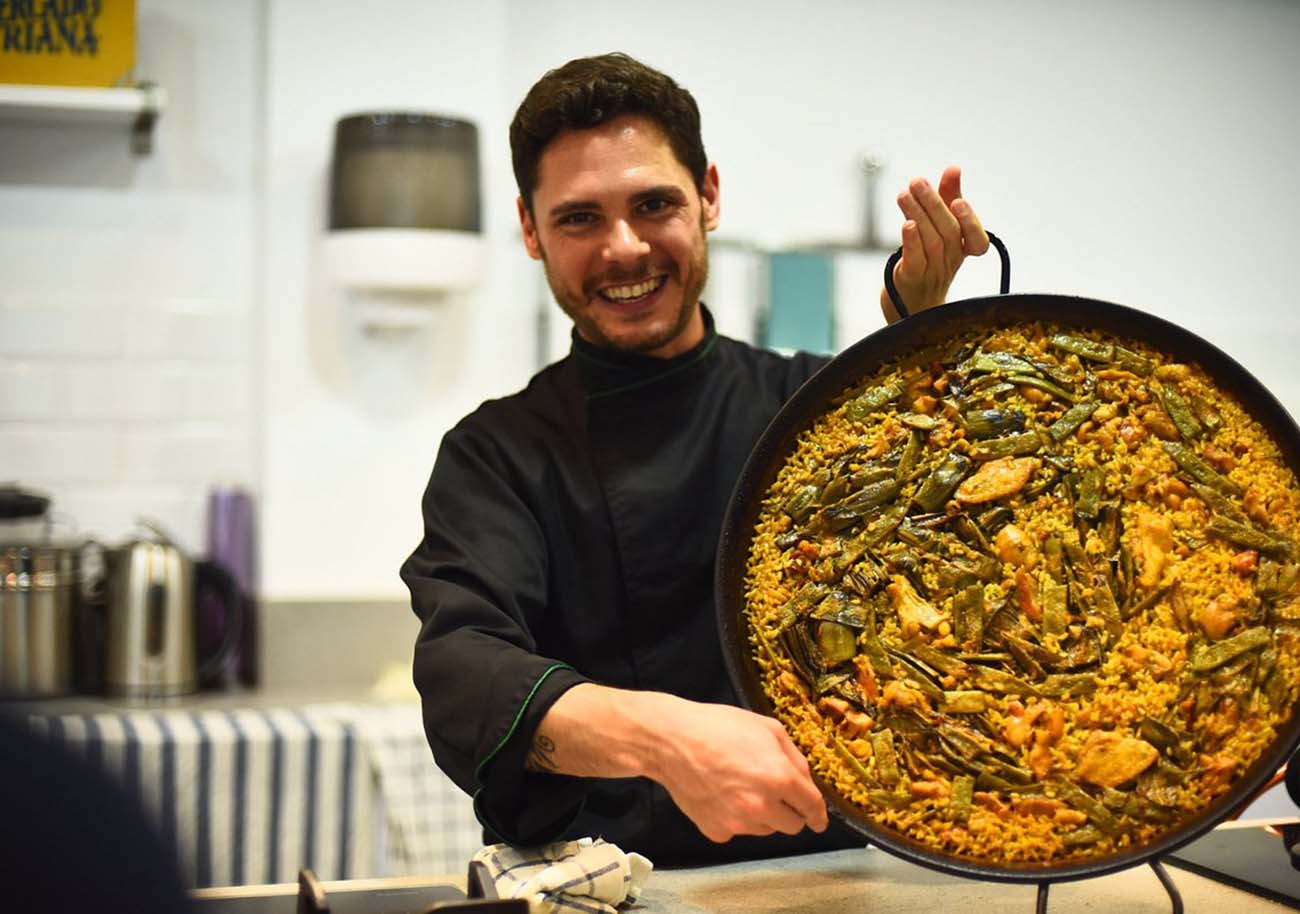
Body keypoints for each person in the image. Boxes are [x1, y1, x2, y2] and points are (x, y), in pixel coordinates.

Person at [401, 52, 988, 865]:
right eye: (579, 218)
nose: (626, 247)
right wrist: (664, 738)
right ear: (531, 231)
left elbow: (965, 565)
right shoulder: (496, 456)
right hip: (611, 883)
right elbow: (465, 672)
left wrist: (908, 361)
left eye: (654, 203)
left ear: (708, 196)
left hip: (842, 875)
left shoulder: (808, 408)